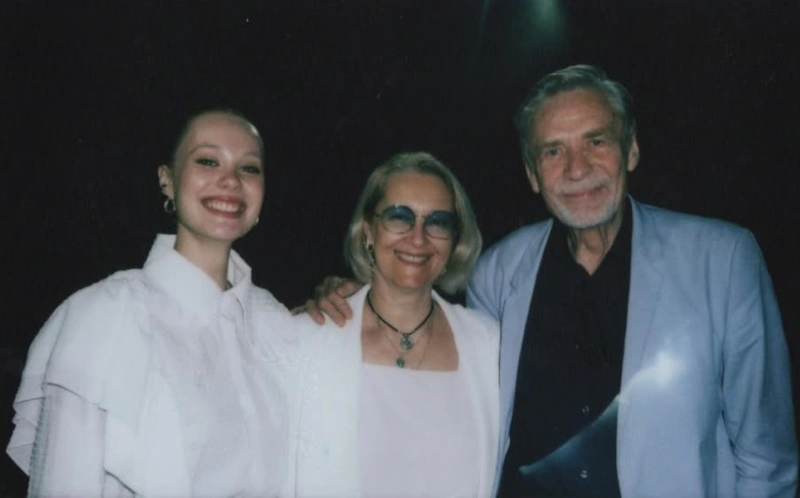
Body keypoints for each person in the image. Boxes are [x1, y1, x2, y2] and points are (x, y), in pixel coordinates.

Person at [300, 65, 798, 497]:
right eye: (553, 151)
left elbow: (766, 458)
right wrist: (355, 297)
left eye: (596, 141)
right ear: (533, 174)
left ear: (631, 149)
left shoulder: (722, 261)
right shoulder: (499, 272)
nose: (577, 169)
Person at [6, 109, 293, 496]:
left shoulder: (276, 324)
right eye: (208, 161)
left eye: (249, 168)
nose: (231, 180)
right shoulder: (107, 314)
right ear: (167, 181)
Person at [285, 152, 501, 497]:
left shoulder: (490, 345)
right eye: (399, 217)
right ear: (368, 231)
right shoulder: (309, 341)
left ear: (454, 241)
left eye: (438, 222)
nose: (418, 238)